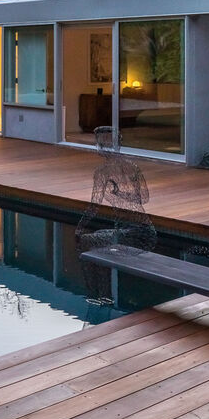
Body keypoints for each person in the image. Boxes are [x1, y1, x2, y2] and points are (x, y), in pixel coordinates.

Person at [75, 126, 157, 306]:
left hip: (133, 235)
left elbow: (93, 207)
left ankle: (98, 295)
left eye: (102, 143)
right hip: (142, 231)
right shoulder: (132, 167)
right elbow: (144, 198)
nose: (101, 147)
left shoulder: (103, 172)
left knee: (86, 241)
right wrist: (121, 193)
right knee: (99, 240)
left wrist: (79, 228)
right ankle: (103, 294)